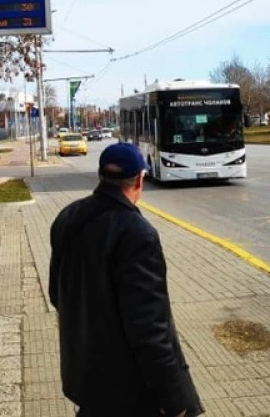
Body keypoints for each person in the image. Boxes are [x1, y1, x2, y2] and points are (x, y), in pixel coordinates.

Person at [49, 142, 203, 417]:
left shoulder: (68, 216)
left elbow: (56, 294)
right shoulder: (137, 233)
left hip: (86, 380)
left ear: (101, 175)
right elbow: (149, 329)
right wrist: (175, 399)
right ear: (140, 180)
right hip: (131, 392)